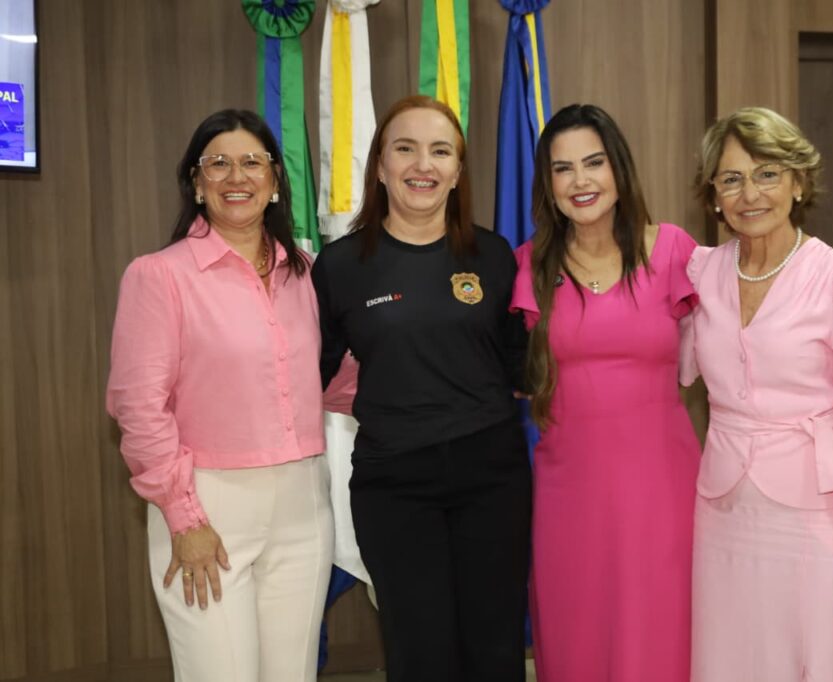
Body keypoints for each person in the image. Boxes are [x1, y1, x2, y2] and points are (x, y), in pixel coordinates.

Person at [682, 106, 833, 681]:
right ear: (713, 195)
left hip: (818, 517)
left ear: (798, 183)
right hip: (723, 516)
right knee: (727, 660)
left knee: (821, 663)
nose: (750, 194)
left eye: (767, 174)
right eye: (731, 178)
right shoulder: (698, 275)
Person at [106, 109, 332, 681]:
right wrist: (184, 518)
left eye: (253, 162)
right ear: (196, 182)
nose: (237, 176)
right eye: (218, 164)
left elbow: (336, 378)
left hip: (304, 504)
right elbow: (139, 407)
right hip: (206, 505)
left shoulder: (307, 273)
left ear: (275, 180)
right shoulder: (159, 275)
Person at [312, 95, 531, 682]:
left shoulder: (493, 255)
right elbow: (311, 373)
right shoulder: (340, 266)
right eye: (405, 148)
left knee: (494, 648)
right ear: (381, 166)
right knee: (419, 652)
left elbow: (521, 367)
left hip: (492, 477)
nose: (422, 165)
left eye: (440, 152)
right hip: (394, 484)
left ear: (458, 171)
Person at [510, 103, 701, 681]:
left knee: (660, 642)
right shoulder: (527, 265)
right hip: (568, 494)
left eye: (593, 163)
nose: (580, 181)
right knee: (578, 644)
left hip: (663, 491)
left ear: (619, 167)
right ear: (547, 183)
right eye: (563, 168)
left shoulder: (674, 250)